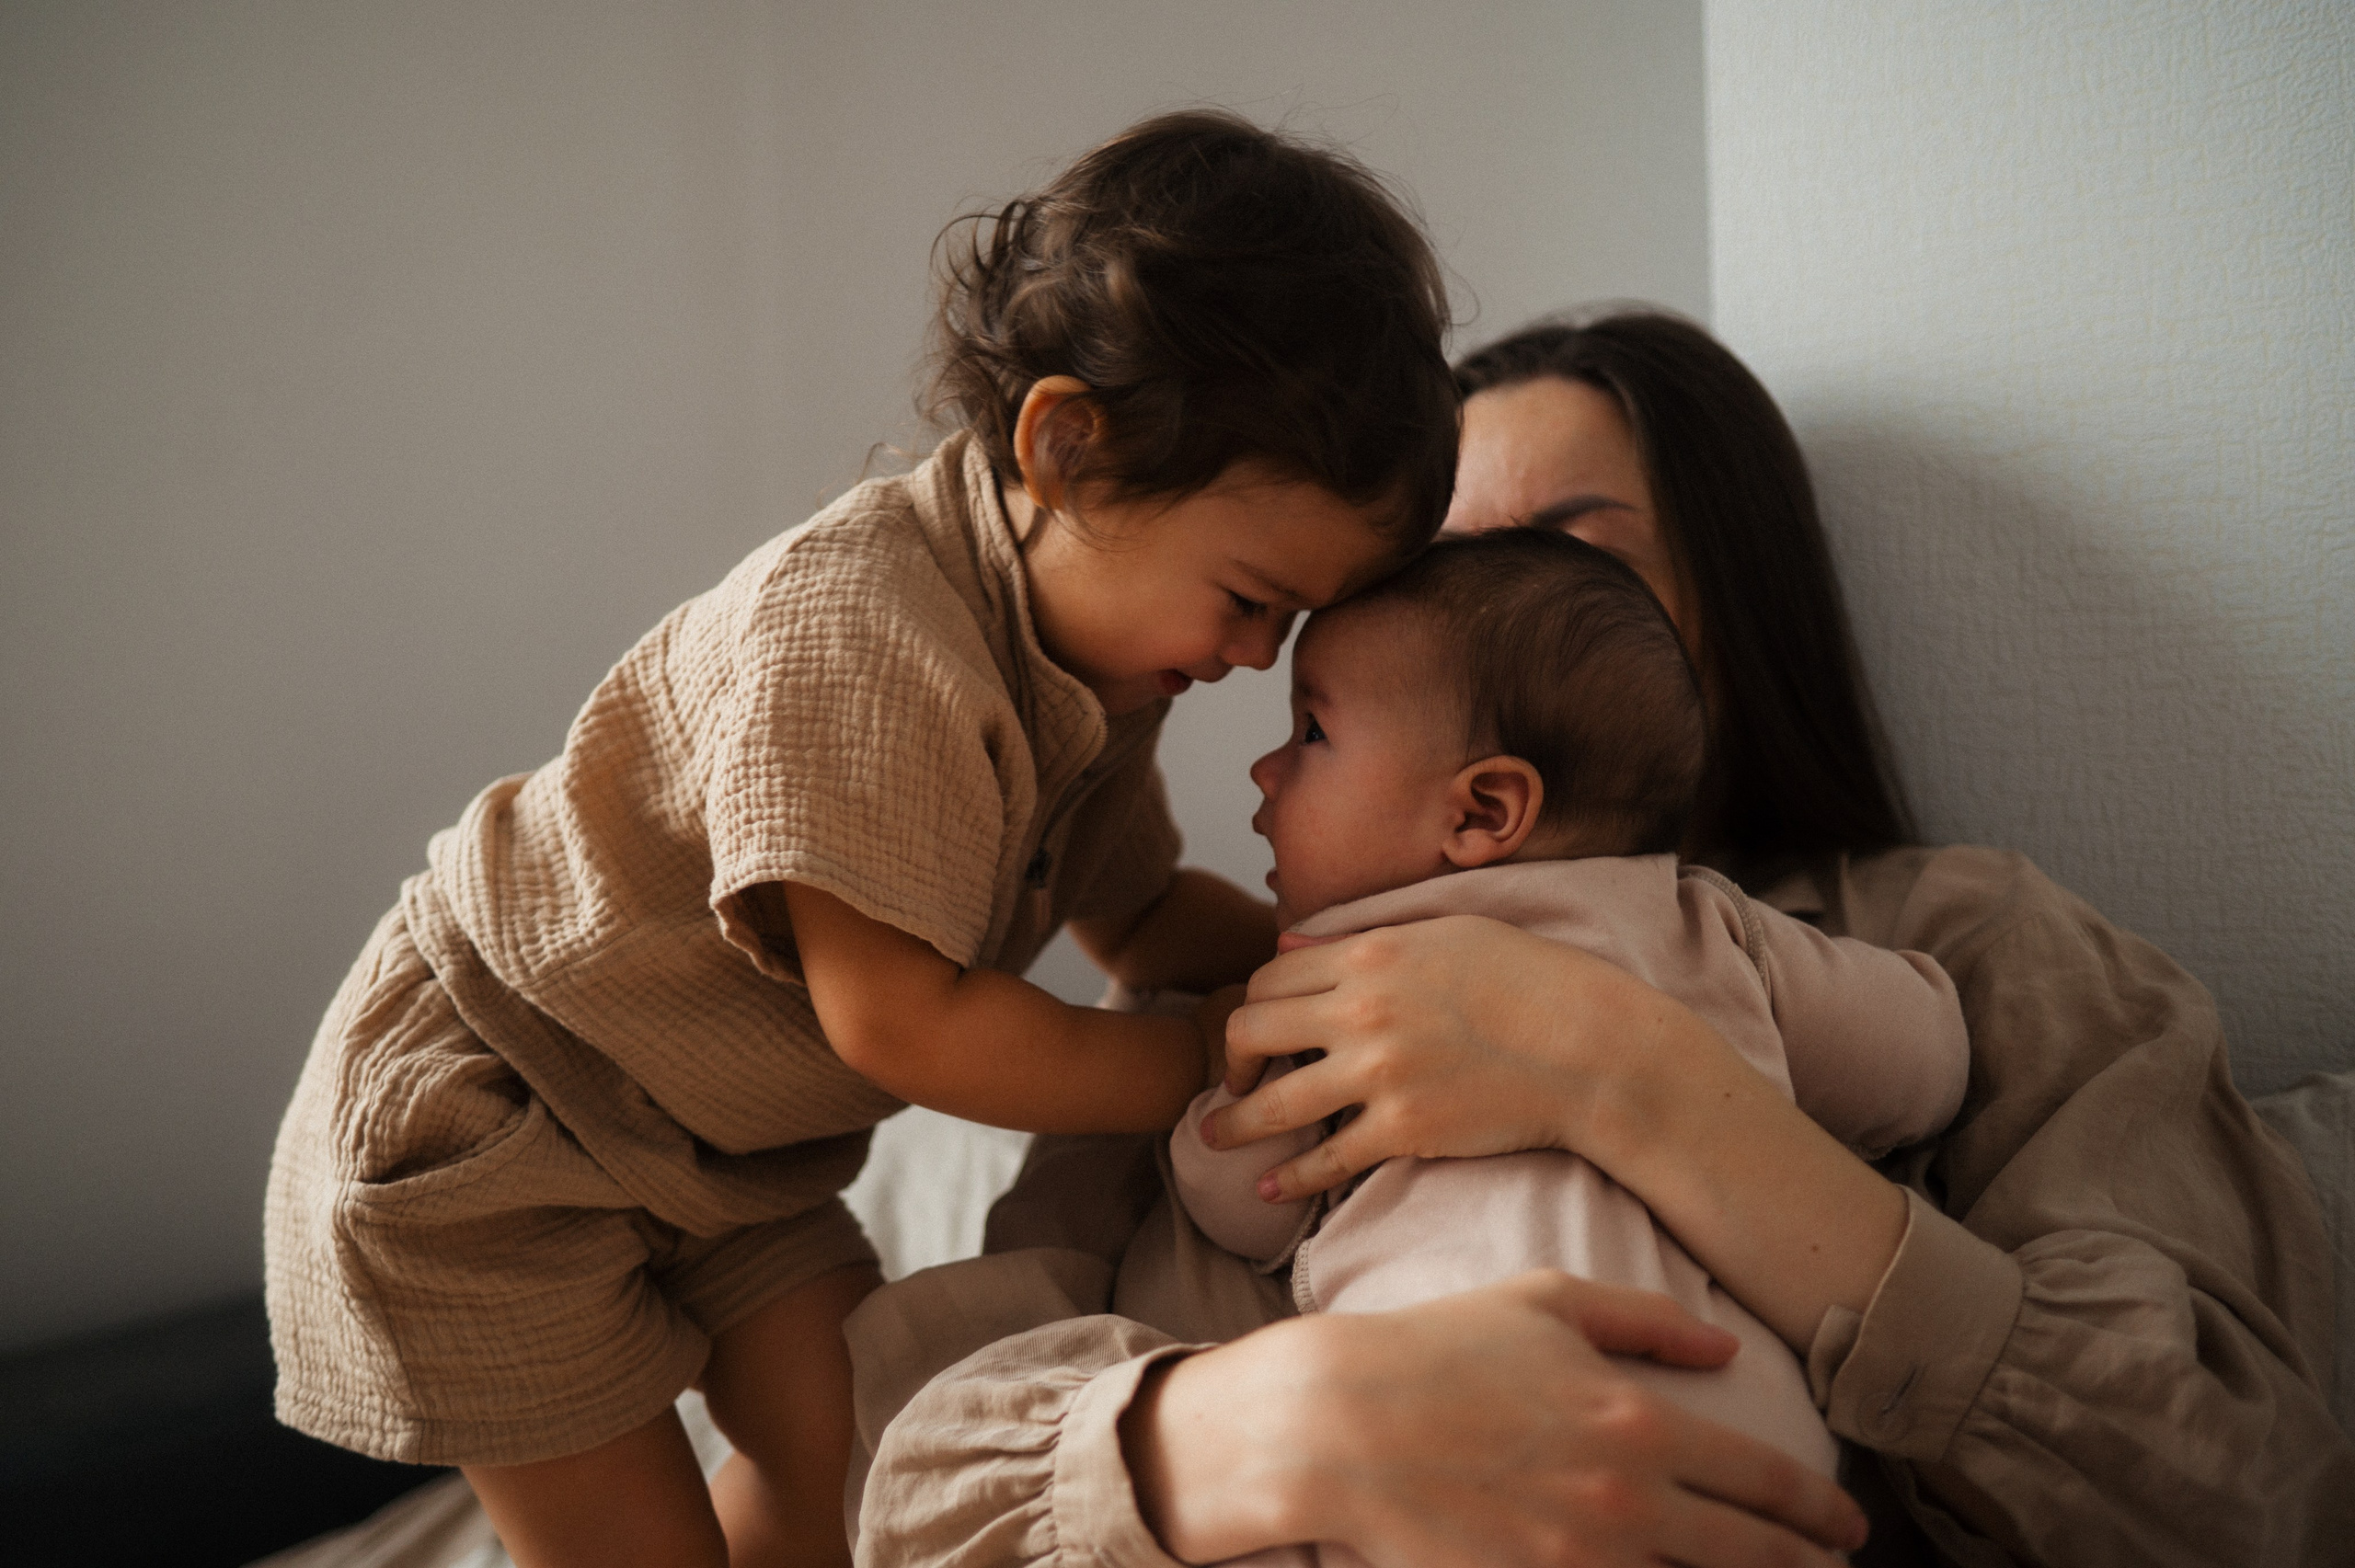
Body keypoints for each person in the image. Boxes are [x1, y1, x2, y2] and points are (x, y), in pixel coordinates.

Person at [845, 312, 2351, 1568]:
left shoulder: (1966, 944)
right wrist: (1279, 1424)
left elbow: (2239, 1496)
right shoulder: (1228, 999)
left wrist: (1628, 1077)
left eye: (1570, 553)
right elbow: (899, 1476)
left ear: (1723, 605)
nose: (1484, 605)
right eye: (1421, 577)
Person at [260, 110, 1460, 1568]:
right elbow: (900, 1022)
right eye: (1250, 598)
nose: (1255, 656)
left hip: (719, 1154)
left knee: (854, 1440)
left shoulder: (1097, 666)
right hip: (500, 1125)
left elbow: (1136, 916)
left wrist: (1339, 967)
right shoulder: (863, 634)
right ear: (1069, 451)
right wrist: (1206, 1058)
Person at [1167, 528, 1970, 1530]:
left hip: (1463, 1429)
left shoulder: (1338, 982)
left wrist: (1220, 1088)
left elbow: (1245, 1203)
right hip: (1733, 1437)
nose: (1265, 768)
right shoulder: (1707, 930)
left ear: (1484, 811)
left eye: (1310, 732)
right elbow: (1926, 1061)